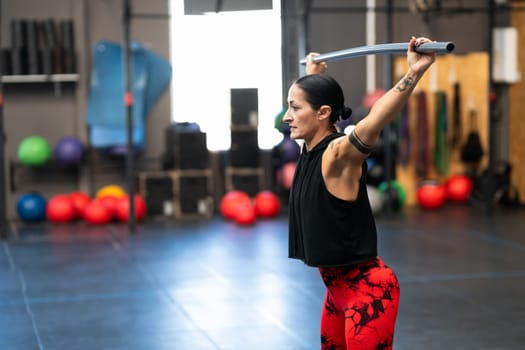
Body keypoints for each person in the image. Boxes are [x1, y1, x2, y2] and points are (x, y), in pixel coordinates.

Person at [283, 36, 436, 349]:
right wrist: (313, 73)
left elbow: (375, 118)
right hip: (336, 292)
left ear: (323, 113)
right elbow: (312, 114)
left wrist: (414, 72)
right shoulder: (309, 148)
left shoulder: (339, 155)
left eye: (294, 108)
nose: (286, 116)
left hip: (369, 292)